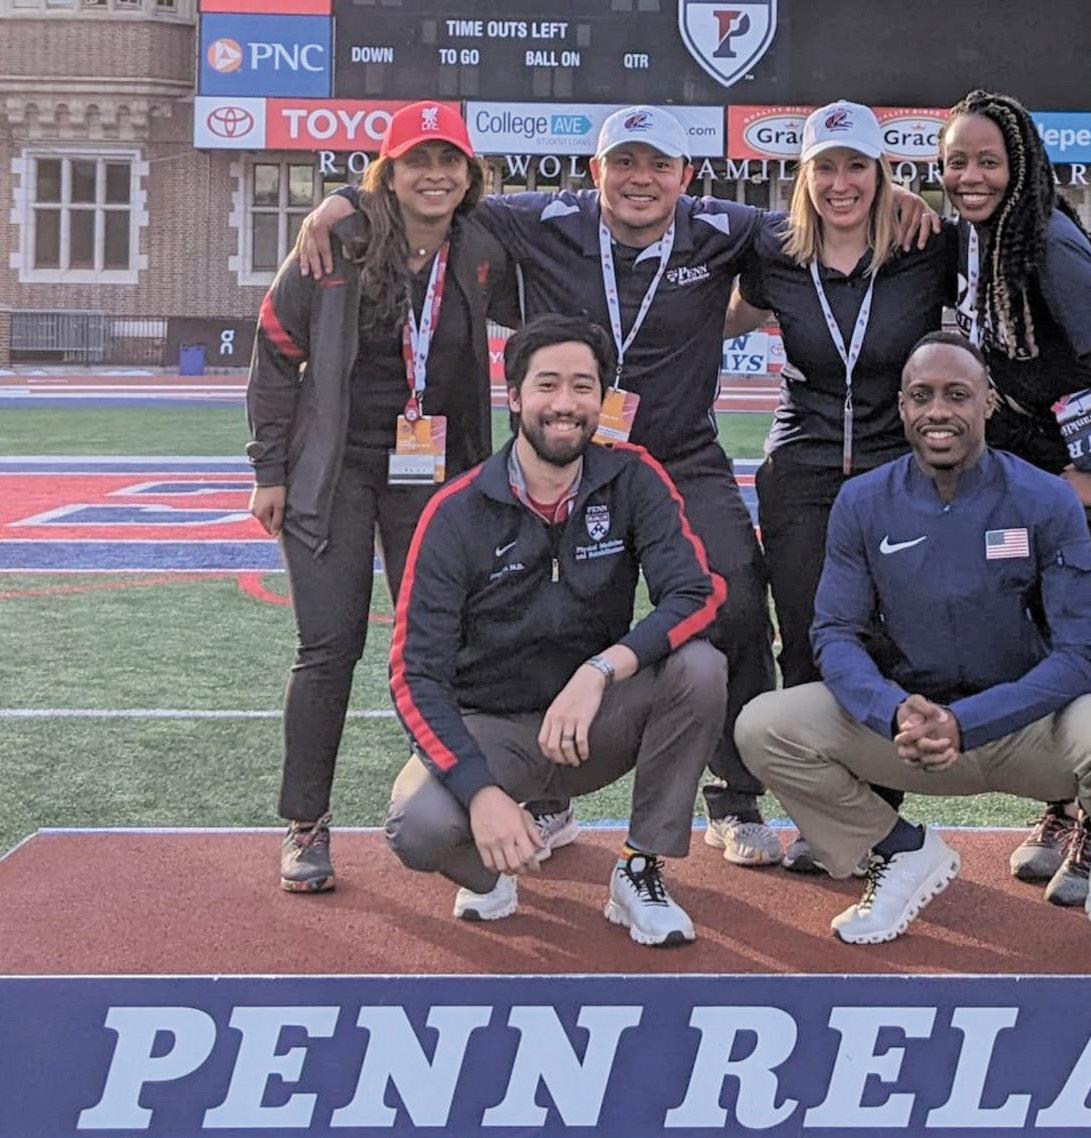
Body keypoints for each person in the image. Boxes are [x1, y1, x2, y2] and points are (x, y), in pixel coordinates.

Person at [297, 104, 936, 870]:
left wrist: (895, 196)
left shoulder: (725, 228)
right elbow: (438, 199)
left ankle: (733, 797)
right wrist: (348, 201)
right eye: (624, 162)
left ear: (684, 175)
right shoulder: (541, 220)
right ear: (596, 171)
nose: (641, 179)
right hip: (570, 455)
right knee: (528, 611)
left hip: (681, 453)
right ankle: (538, 790)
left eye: (658, 164)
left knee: (734, 600)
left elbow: (828, 212)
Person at [734, 332, 1091, 977]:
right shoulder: (863, 501)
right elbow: (834, 634)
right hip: (909, 730)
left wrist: (969, 722)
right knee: (764, 726)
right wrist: (891, 711)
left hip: (1026, 730)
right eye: (922, 395)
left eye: (957, 395)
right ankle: (898, 852)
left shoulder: (1045, 498)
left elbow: (1085, 653)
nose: (938, 411)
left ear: (987, 402)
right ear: (903, 407)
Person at [385, 315, 728, 946]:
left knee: (701, 667)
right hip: (493, 729)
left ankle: (640, 868)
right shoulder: (456, 512)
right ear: (515, 396)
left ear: (602, 399)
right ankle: (492, 867)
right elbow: (414, 675)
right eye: (547, 385)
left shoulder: (632, 477)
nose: (565, 404)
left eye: (582, 386)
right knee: (418, 825)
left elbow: (697, 594)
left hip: (594, 723)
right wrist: (480, 792)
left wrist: (600, 671)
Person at [245, 100, 513, 894]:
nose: (434, 175)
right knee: (329, 647)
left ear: (469, 176)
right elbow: (275, 350)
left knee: (441, 647)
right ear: (387, 174)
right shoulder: (337, 241)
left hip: (431, 475)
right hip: (331, 471)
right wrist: (268, 469)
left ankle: (457, 806)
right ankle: (306, 823)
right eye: (415, 160)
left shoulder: (481, 248)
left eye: (448, 160)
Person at [940, 89, 1091, 908]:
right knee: (1035, 629)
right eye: (955, 162)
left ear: (1021, 165)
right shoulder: (979, 235)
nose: (969, 176)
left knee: (1081, 629)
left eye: (987, 161)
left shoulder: (1046, 243)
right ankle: (1062, 802)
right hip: (1038, 457)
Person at [722, 100, 956, 873]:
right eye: (824, 167)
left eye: (856, 165)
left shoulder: (925, 245)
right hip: (803, 469)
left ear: (882, 173)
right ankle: (823, 818)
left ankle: (875, 816)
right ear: (803, 175)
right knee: (806, 639)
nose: (840, 183)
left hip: (898, 472)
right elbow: (718, 310)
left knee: (887, 642)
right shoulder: (772, 249)